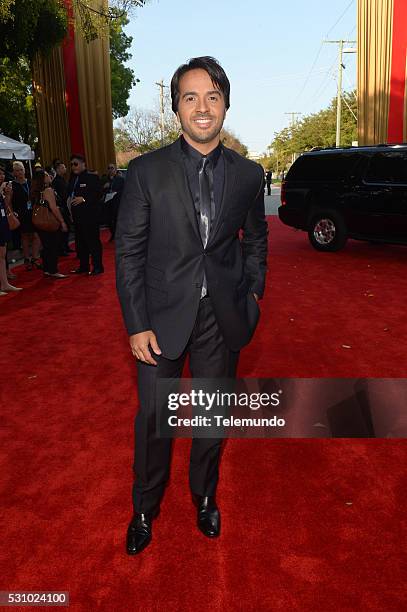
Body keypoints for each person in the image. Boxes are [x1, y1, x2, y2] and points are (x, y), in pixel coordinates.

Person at [116, 56, 268, 555]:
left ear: (225, 104)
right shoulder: (144, 171)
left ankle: (204, 497)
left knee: (210, 419)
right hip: (159, 320)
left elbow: (255, 240)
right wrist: (136, 324)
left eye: (212, 97)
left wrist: (252, 292)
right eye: (190, 97)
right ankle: (145, 507)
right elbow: (129, 253)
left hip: (221, 318)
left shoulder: (249, 175)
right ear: (176, 107)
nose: (202, 108)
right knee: (154, 420)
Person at [67, 154, 103, 276]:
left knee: (93, 242)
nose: (73, 166)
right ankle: (83, 266)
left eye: (75, 164)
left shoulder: (92, 178)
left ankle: (98, 266)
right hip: (77, 217)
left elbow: (98, 193)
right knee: (80, 243)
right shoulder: (72, 180)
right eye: (71, 164)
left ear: (83, 164)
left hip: (90, 217)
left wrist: (84, 199)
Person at [31, 170, 69, 279]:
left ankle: (47, 269)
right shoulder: (48, 190)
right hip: (49, 222)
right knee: (52, 246)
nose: (49, 176)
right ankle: (53, 270)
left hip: (39, 223)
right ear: (42, 178)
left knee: (47, 246)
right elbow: (53, 208)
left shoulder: (36, 190)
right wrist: (62, 222)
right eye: (47, 175)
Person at [10, 161, 41, 271]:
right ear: (14, 172)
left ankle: (35, 257)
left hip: (33, 212)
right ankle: (27, 258)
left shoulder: (30, 183)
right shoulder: (12, 185)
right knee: (25, 236)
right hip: (21, 214)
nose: (20, 172)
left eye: (21, 170)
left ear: (24, 170)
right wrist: (12, 212)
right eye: (17, 170)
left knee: (36, 235)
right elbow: (9, 202)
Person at [0, 167, 22, 295]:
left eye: (2, 174)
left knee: (2, 255)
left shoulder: (2, 190)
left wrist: (7, 194)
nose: (2, 176)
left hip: (2, 223)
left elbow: (6, 206)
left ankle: (4, 284)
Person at [52, 160, 73, 255]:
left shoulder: (62, 179)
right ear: (58, 169)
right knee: (63, 229)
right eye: (63, 167)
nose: (65, 169)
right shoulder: (57, 181)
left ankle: (66, 246)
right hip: (61, 207)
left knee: (67, 228)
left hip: (65, 206)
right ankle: (62, 248)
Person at [102, 163, 125, 241]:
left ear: (115, 169)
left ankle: (116, 235)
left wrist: (116, 193)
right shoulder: (104, 179)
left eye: (112, 168)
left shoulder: (120, 179)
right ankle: (113, 233)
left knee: (116, 219)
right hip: (107, 202)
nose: (110, 170)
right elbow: (98, 190)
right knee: (108, 220)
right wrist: (103, 187)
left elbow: (124, 190)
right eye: (109, 168)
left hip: (117, 202)